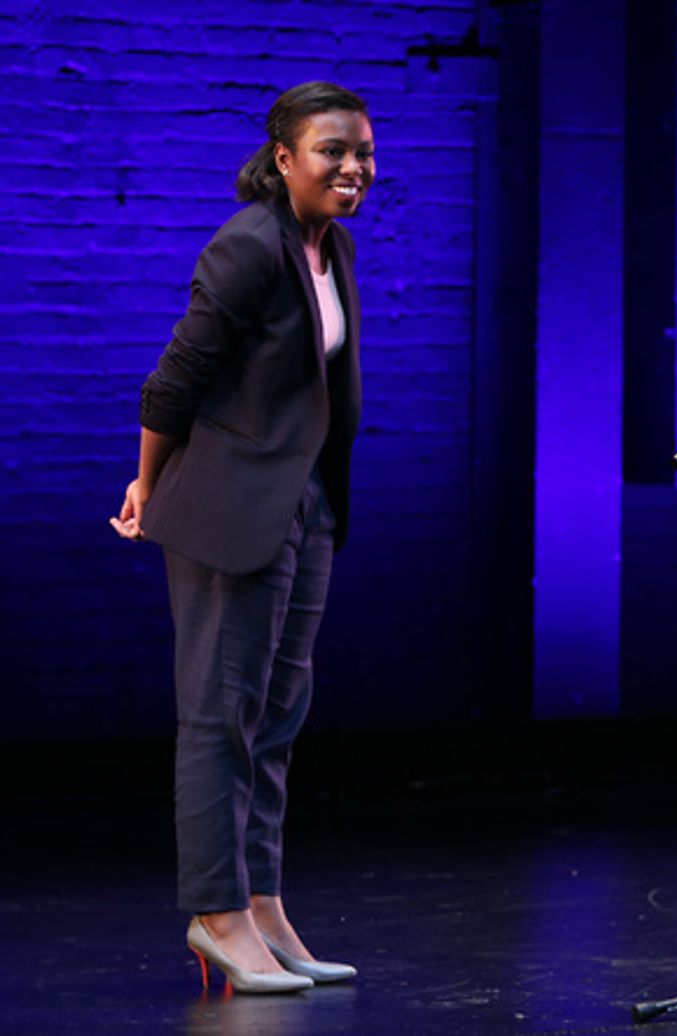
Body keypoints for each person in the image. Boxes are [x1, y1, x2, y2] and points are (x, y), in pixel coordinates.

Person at [110, 81, 373, 994]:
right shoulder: (248, 246)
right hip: (230, 510)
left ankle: (262, 904)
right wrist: (148, 483)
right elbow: (175, 379)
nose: (353, 167)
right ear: (284, 159)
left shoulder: (329, 246)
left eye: (363, 153)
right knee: (221, 718)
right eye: (333, 151)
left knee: (275, 717)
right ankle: (217, 914)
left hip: (303, 505)